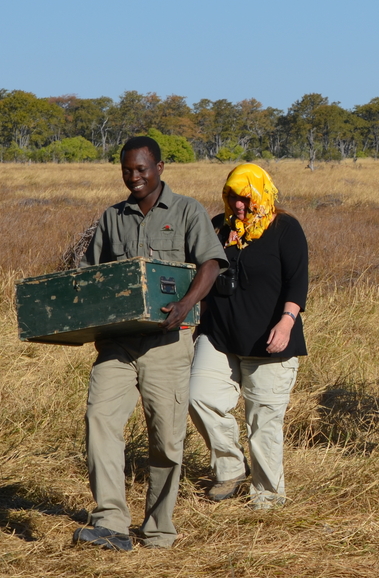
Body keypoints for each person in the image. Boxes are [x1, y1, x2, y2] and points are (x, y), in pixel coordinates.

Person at [74, 136, 226, 552]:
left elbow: (210, 263)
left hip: (168, 345)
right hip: (118, 345)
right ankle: (111, 522)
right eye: (127, 170)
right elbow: (91, 277)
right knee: (100, 419)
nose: (134, 177)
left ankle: (159, 529)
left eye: (141, 169)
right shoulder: (112, 217)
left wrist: (186, 304)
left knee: (166, 439)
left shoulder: (187, 211)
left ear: (161, 167)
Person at [189, 164, 309, 510]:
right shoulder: (218, 227)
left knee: (263, 427)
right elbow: (202, 274)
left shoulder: (286, 229)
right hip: (220, 336)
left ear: (260, 195)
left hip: (269, 344)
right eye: (231, 197)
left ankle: (268, 500)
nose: (238, 205)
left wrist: (286, 322)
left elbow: (297, 282)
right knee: (198, 396)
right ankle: (230, 467)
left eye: (245, 198)